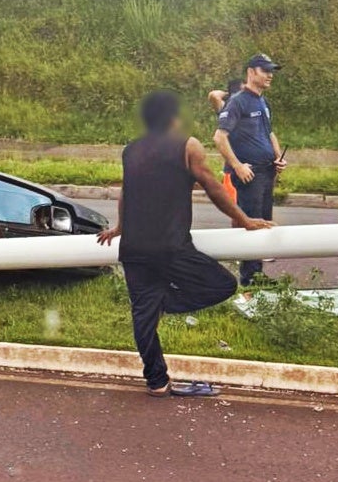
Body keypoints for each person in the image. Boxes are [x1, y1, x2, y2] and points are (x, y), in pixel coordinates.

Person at [97, 91, 273, 397]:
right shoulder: (187, 145)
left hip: (134, 247)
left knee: (143, 317)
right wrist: (244, 220)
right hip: (170, 246)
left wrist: (121, 227)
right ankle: (164, 303)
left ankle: (157, 382)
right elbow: (214, 187)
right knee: (222, 285)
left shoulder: (131, 150)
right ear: (173, 118)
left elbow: (126, 192)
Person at [213, 54, 287, 287]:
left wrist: (277, 158)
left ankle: (258, 274)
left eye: (271, 71)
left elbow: (269, 133)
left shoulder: (262, 102)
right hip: (250, 174)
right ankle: (249, 278)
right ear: (251, 72)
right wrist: (237, 165)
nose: (270, 75)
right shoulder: (239, 101)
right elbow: (219, 136)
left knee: (264, 222)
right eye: (265, 70)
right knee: (252, 224)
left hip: (267, 172)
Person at [208, 79, 244, 203]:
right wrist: (229, 94)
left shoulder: (251, 106)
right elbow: (213, 95)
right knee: (235, 206)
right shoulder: (227, 108)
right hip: (232, 164)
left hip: (251, 163)